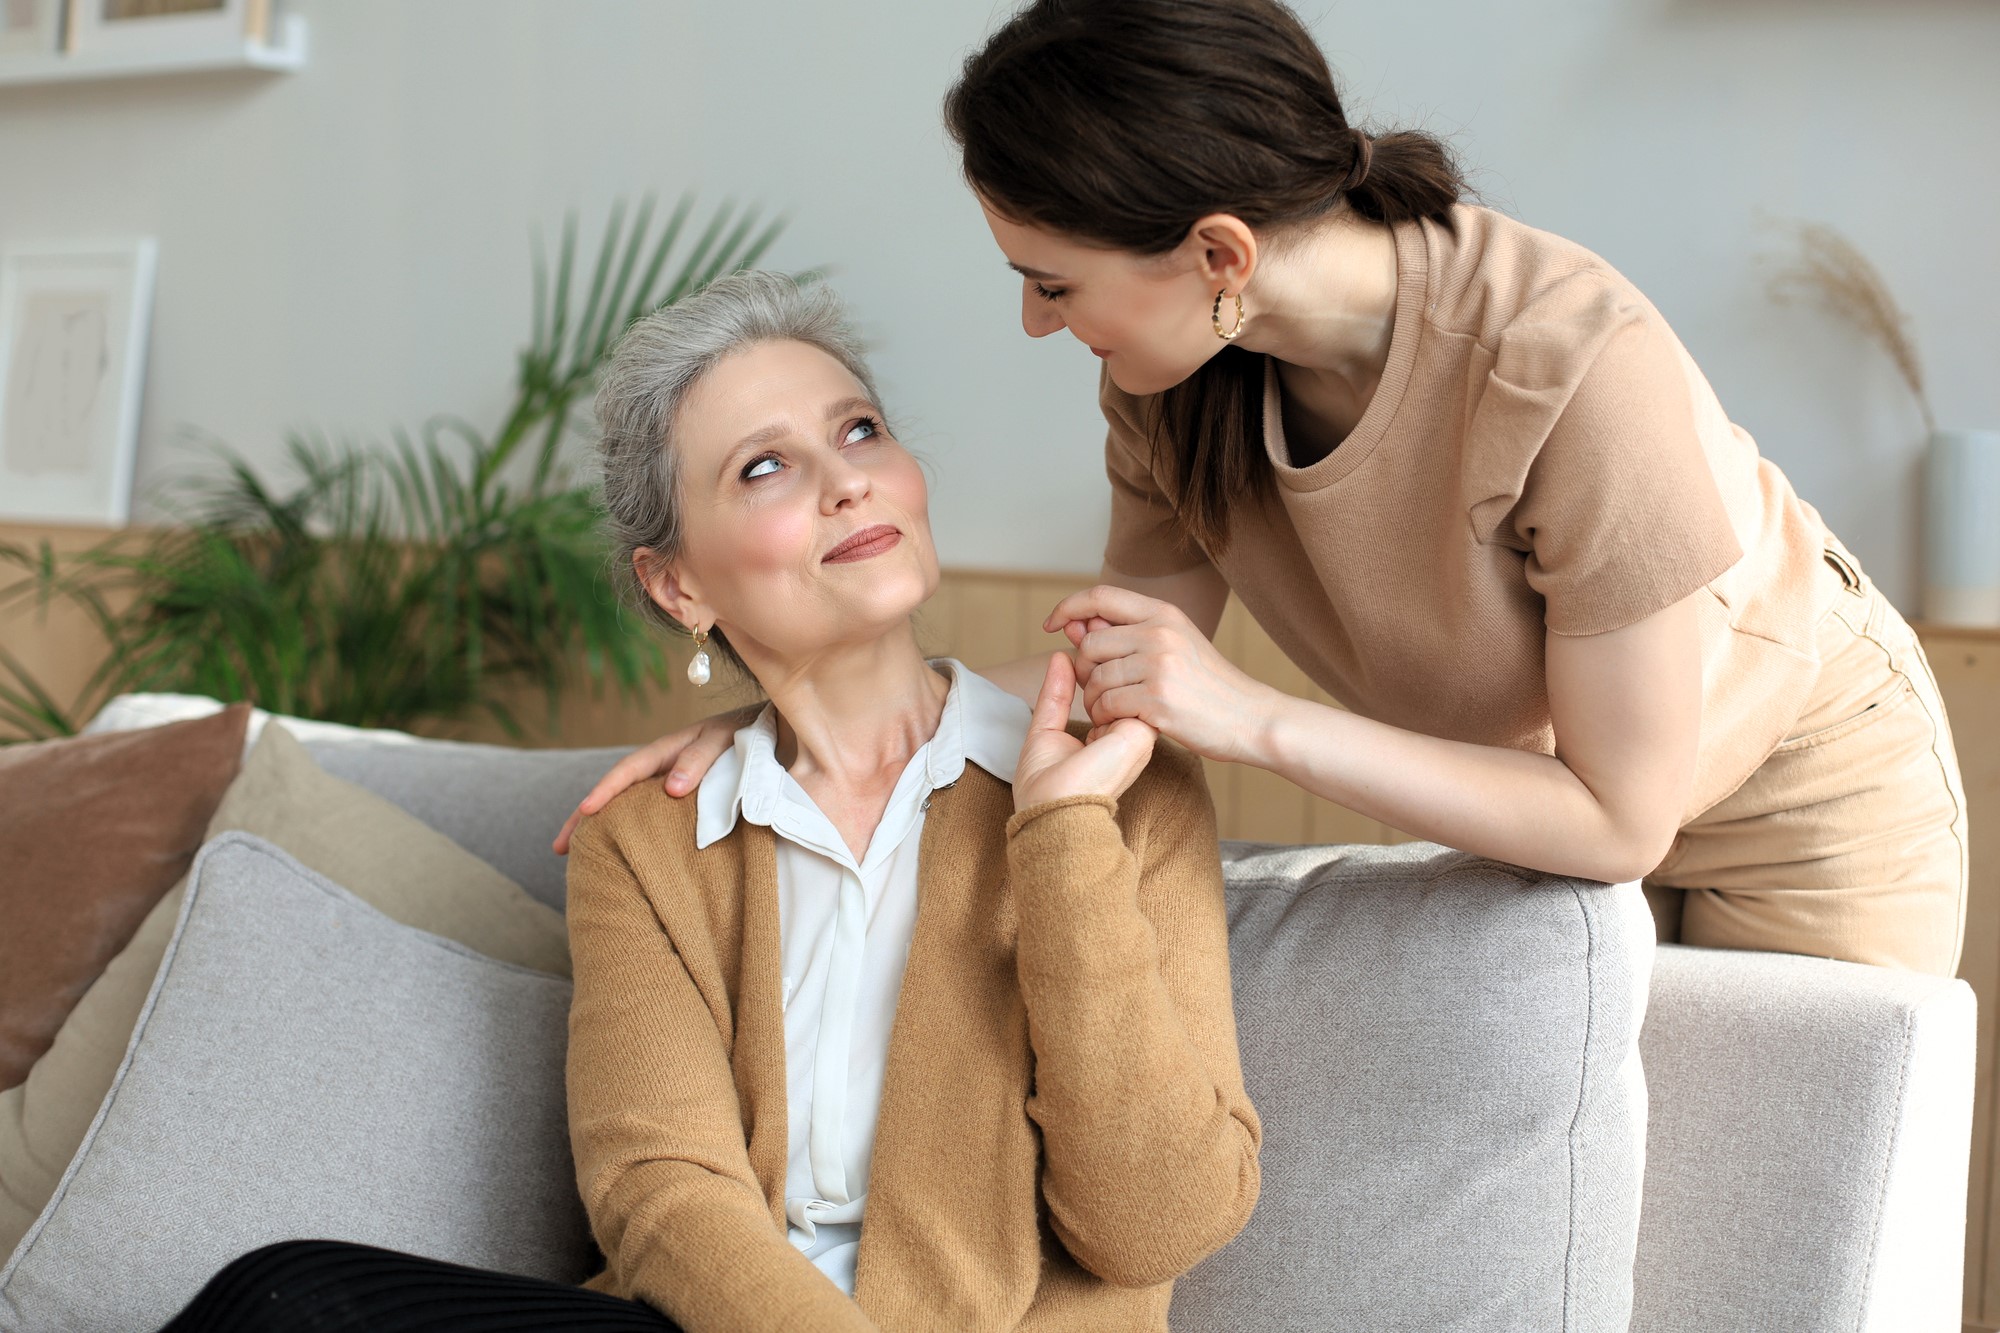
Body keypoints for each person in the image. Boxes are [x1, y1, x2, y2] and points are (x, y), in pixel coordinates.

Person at [557, 0, 1967, 977]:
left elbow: (1619, 817)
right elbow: (1112, 677)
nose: (1039, 326)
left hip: (1796, 813)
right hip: (1542, 821)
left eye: (1056, 283)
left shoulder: (1570, 364)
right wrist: (782, 731)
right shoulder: (1167, 387)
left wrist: (1253, 721)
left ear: (1218, 255)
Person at [157, 271, 1258, 1332]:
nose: (846, 480)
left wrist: (1062, 842)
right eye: (764, 467)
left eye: (860, 430)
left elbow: (1155, 1222)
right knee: (284, 1295)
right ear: (677, 586)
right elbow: (661, 1193)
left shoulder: (1118, 784)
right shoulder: (645, 841)